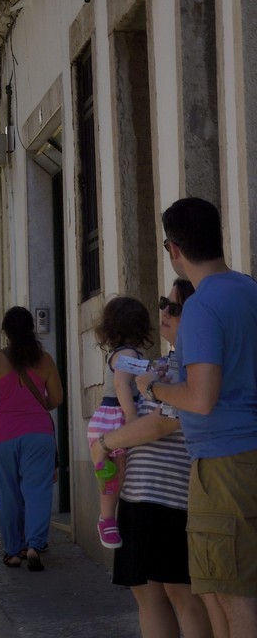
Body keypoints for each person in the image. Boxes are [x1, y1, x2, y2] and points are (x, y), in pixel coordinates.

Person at [138, 198, 257, 638]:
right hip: (246, 454)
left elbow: (201, 398)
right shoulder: (248, 288)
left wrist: (152, 387)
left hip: (223, 462)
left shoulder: (203, 306)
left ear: (173, 249)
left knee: (232, 593)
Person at [96, 282, 213, 638]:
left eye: (174, 308)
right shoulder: (158, 365)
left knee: (181, 593)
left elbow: (162, 424)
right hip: (138, 495)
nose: (163, 312)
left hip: (172, 495)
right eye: (163, 303)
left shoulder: (194, 368)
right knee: (146, 593)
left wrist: (105, 442)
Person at [0, 305, 63, 571]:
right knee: (38, 491)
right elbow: (57, 398)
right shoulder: (45, 360)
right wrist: (34, 409)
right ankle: (35, 545)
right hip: (38, 434)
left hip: (2, 435)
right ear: (31, 329)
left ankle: (13, 551)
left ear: (5, 332)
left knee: (9, 494)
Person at [88, 295, 154, 548]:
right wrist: (133, 418)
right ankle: (107, 519)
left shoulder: (123, 353)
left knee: (114, 475)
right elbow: (122, 384)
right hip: (115, 418)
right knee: (115, 475)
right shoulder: (128, 353)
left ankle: (108, 518)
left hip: (108, 417)